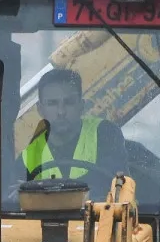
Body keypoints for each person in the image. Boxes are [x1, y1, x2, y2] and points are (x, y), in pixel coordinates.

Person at [20, 68, 128, 199]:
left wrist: (42, 192)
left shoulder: (105, 134)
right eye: (52, 103)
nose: (61, 111)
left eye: (69, 102)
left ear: (81, 105)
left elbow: (114, 186)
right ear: (40, 109)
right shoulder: (26, 159)